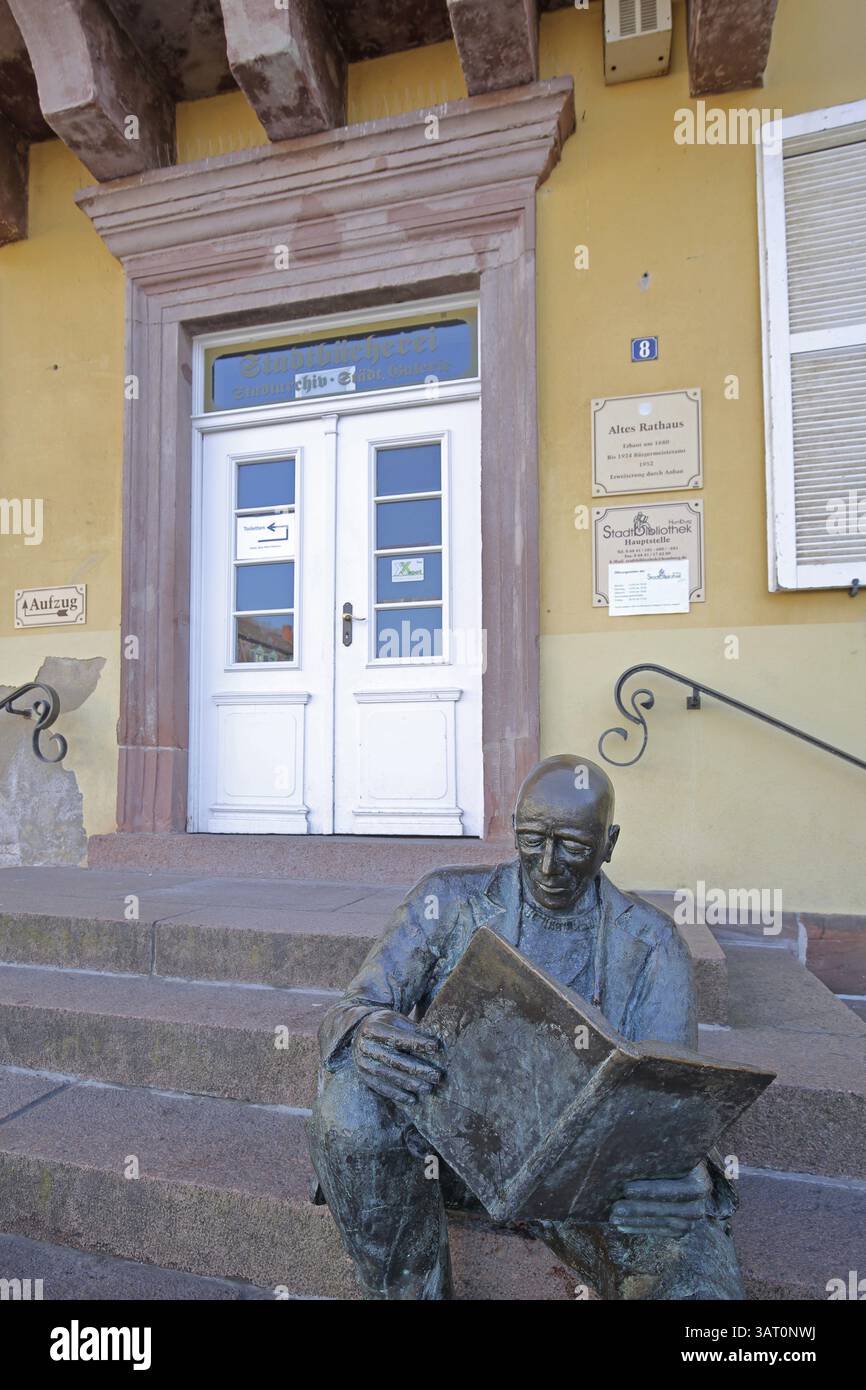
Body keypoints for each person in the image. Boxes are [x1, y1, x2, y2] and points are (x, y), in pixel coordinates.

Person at [307, 754, 742, 1299]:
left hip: (586, 1185)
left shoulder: (652, 943)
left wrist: (685, 1172)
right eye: (532, 839)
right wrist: (366, 1031)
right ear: (512, 829)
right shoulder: (447, 900)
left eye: (575, 847)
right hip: (455, 1147)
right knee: (350, 1099)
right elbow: (357, 1005)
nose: (548, 865)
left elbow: (667, 1103)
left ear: (609, 844)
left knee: (696, 1278)